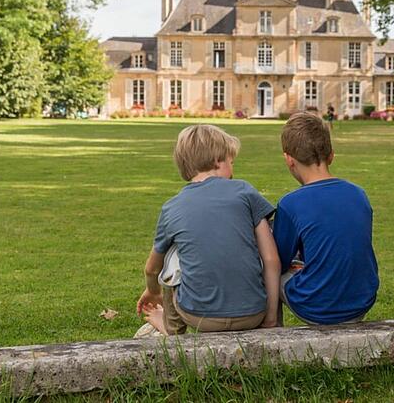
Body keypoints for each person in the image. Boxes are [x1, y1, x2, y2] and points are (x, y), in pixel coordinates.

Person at [136, 125, 280, 334]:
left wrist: (152, 290)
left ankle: (172, 329)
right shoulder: (244, 191)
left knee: (171, 260)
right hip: (253, 314)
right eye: (232, 162)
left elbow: (152, 269)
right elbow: (271, 259)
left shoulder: (172, 207)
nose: (233, 169)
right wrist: (270, 317)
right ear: (217, 160)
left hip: (199, 317)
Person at [273, 113, 379, 325]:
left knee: (269, 269)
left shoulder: (291, 204)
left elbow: (279, 261)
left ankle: (272, 331)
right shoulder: (358, 194)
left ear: (289, 160)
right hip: (362, 300)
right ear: (331, 155)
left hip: (317, 307)